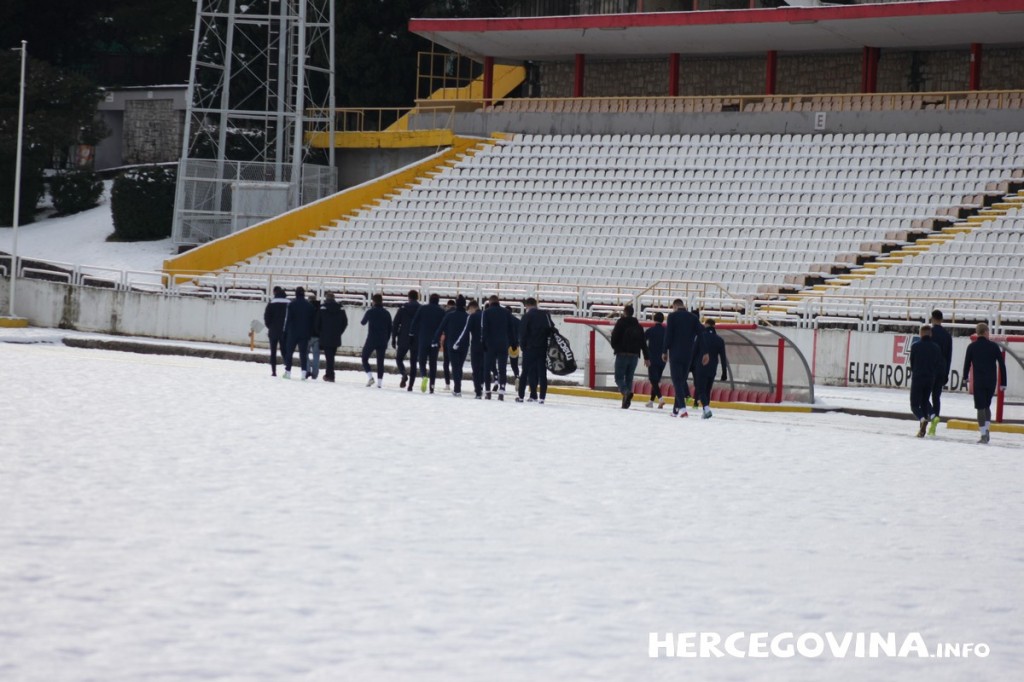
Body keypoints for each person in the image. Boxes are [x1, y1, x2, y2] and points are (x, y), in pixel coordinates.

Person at [962, 322, 1008, 444]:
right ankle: (986, 429)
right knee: (987, 405)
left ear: (977, 333)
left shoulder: (972, 347)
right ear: (986, 332)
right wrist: (1003, 382)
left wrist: (965, 377)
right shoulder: (994, 346)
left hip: (979, 380)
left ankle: (983, 434)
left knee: (980, 407)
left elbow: (967, 363)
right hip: (991, 380)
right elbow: (1002, 365)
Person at [662, 299, 708, 418]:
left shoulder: (672, 317)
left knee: (677, 381)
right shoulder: (692, 317)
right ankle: (675, 410)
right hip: (688, 355)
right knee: (682, 381)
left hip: (675, 353)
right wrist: (705, 352)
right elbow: (701, 333)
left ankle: (682, 409)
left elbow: (668, 335)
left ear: (675, 306)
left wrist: (664, 351)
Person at [610, 304, 649, 409]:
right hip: (635, 355)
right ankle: (625, 402)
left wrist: (616, 348)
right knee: (629, 378)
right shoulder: (638, 326)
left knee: (618, 378)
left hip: (622, 354)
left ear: (625, 312)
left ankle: (626, 392)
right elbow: (643, 343)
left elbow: (614, 338)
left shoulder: (620, 323)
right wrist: (647, 357)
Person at [433, 295, 470, 396]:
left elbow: (440, 328)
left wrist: (435, 340)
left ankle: (457, 389)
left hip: (451, 343)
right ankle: (458, 387)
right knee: (459, 366)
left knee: (455, 366)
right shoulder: (468, 317)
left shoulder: (449, 315)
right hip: (464, 344)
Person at [909, 325, 942, 437]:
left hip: (918, 377)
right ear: (930, 334)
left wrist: (916, 372)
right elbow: (938, 363)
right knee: (924, 400)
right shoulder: (936, 347)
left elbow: (912, 363)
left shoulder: (915, 346)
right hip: (930, 378)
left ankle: (922, 419)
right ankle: (933, 415)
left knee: (914, 405)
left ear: (920, 334)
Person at [482, 295, 517, 400]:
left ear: (490, 302)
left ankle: (488, 391)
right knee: (502, 368)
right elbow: (511, 329)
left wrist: (483, 342)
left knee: (487, 368)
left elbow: (484, 329)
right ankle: (501, 390)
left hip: (490, 344)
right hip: (503, 343)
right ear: (498, 302)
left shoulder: (486, 312)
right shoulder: (506, 312)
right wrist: (513, 343)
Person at [409, 293, 445, 393]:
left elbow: (415, 321)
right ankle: (432, 386)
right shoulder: (441, 311)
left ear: (429, 300)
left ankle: (424, 375)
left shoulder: (422, 308)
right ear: (438, 301)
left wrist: (411, 334)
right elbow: (444, 326)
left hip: (423, 339)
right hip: (435, 340)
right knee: (433, 364)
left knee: (422, 361)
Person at [517, 297, 551, 403]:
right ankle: (542, 397)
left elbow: (522, 334)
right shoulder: (545, 315)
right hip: (542, 348)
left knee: (525, 372)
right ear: (536, 304)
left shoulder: (527, 316)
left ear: (527, 306)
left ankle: (521, 396)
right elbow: (550, 330)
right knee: (542, 373)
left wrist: (523, 347)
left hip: (529, 348)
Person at [695, 319, 729, 419]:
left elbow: (694, 351)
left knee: (701, 390)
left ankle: (706, 409)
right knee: (707, 390)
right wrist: (724, 372)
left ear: (706, 325)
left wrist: (688, 367)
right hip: (712, 368)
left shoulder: (701, 337)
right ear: (714, 326)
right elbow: (723, 357)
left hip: (701, 367)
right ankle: (705, 411)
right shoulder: (720, 340)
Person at [927, 310, 953, 436]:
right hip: (942, 368)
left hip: (930, 368)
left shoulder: (930, 333)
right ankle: (934, 424)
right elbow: (949, 357)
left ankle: (931, 416)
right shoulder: (947, 335)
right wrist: (946, 373)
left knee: (924, 396)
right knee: (936, 397)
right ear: (942, 320)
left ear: (932, 319)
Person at [282, 286, 314, 380]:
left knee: (289, 353)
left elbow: (288, 320)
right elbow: (311, 322)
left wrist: (285, 332)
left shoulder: (292, 304)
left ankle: (288, 371)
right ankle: (304, 373)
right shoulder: (309, 306)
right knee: (303, 353)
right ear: (304, 294)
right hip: (304, 333)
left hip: (293, 332)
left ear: (296, 293)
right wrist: (309, 332)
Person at [360, 293, 392, 388]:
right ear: (382, 301)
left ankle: (370, 377)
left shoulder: (371, 311)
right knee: (380, 361)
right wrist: (387, 339)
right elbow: (390, 328)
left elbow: (363, 322)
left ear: (373, 301)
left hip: (371, 339)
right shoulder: (387, 313)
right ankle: (379, 383)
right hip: (383, 340)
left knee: (364, 358)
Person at [392, 290, 421, 389]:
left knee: (399, 358)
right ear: (417, 297)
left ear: (408, 297)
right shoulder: (421, 308)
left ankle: (404, 373)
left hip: (403, 337)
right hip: (416, 338)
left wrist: (393, 338)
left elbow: (395, 324)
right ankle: (410, 386)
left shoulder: (403, 308)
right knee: (413, 362)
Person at [316, 292, 347, 383]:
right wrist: (339, 332)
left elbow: (317, 323)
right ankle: (329, 374)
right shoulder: (340, 308)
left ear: (326, 298)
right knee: (331, 356)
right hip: (336, 336)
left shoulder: (322, 308)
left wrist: (320, 333)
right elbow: (345, 323)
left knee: (329, 357)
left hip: (325, 336)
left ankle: (330, 375)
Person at [459, 300, 486, 398]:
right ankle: (484, 386)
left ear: (471, 308)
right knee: (484, 367)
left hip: (475, 345)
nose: (468, 312)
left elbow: (466, 331)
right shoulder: (485, 315)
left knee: (476, 368)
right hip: (486, 346)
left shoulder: (472, 317)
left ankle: (478, 391)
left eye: (469, 310)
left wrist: (458, 343)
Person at [263, 286, 289, 377]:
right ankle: (287, 369)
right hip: (285, 331)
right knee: (285, 351)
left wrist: (270, 327)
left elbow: (266, 317)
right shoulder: (288, 303)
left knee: (273, 352)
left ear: (274, 292)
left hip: (273, 331)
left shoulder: (271, 303)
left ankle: (274, 371)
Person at [644, 312, 667, 408]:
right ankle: (651, 401)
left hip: (652, 358)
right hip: (663, 359)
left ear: (654, 319)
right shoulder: (666, 331)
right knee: (656, 381)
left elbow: (643, 342)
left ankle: (661, 399)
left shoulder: (650, 330)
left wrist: (646, 357)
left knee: (653, 380)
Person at [442, 298, 456, 391]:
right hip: (457, 341)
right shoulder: (460, 313)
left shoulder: (446, 314)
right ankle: (457, 383)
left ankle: (447, 384)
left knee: (446, 363)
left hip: (447, 340)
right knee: (456, 364)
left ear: (447, 305)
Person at [307, 293, 321, 380]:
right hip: (317, 335)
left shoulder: (306, 309)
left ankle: (308, 369)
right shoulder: (320, 309)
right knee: (316, 355)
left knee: (305, 353)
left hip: (307, 335)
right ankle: (315, 374)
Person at [509, 311, 522, 389]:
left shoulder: (504, 321)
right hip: (514, 345)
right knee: (514, 364)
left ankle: (498, 380)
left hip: (503, 345)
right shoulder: (517, 321)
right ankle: (517, 376)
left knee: (501, 364)